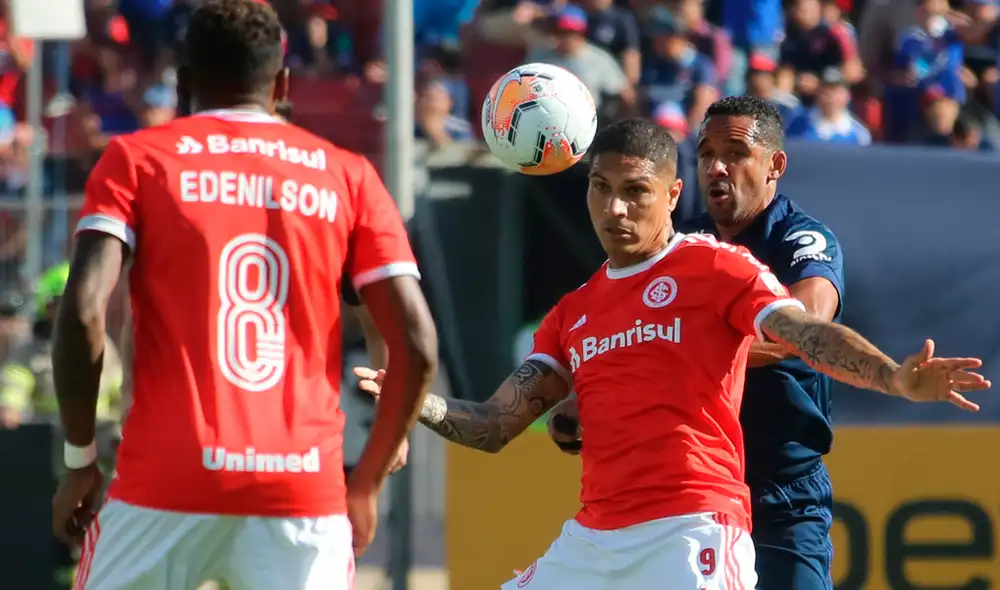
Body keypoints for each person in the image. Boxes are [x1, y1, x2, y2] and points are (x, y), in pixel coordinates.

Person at [357, 118, 989, 589]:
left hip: (691, 531)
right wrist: (417, 402)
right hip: (593, 540)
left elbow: (805, 333)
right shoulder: (574, 311)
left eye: (635, 191)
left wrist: (892, 377)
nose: (615, 208)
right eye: (601, 189)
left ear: (671, 193)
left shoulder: (716, 267)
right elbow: (496, 426)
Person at [50, 2, 438, 590]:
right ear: (282, 83)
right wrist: (365, 483)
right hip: (303, 488)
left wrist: (80, 461)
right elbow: (416, 344)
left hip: (165, 481)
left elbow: (82, 316)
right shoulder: (349, 175)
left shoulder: (138, 159)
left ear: (182, 81)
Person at [1, 262, 123, 430]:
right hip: (52, 440)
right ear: (47, 307)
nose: (70, 310)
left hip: (98, 437)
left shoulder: (103, 345)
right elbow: (13, 384)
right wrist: (9, 408)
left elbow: (120, 390)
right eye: (60, 303)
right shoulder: (30, 350)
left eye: (77, 302)